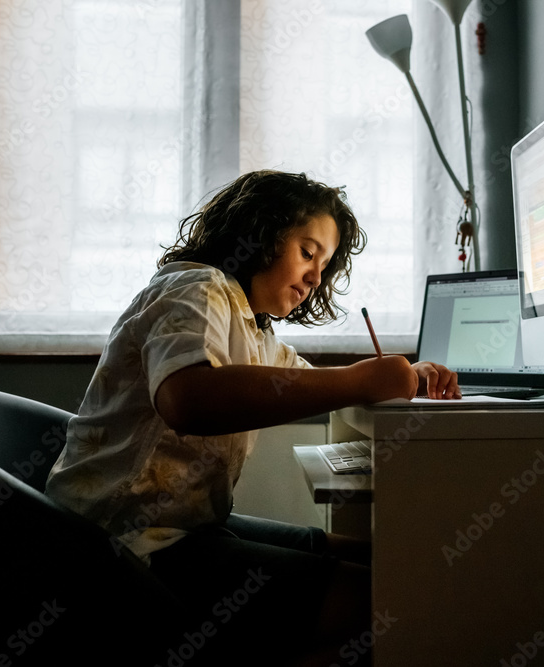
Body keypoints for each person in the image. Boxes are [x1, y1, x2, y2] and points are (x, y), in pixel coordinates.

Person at [45, 170, 461, 666]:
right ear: (259, 233)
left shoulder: (255, 330)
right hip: (125, 545)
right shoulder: (195, 289)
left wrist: (406, 375)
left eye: (324, 266)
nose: (316, 277)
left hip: (187, 529)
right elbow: (188, 399)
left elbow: (309, 384)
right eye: (308, 253)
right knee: (401, 601)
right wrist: (362, 380)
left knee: (386, 555)